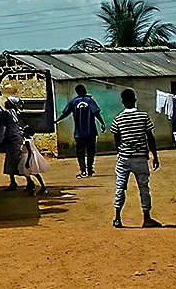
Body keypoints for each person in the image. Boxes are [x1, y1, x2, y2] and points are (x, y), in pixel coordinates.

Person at [110, 88, 161, 229]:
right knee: (144, 187)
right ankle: (147, 218)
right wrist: (154, 156)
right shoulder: (143, 117)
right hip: (140, 158)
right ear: (135, 100)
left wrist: (121, 153)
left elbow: (116, 140)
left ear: (122, 102)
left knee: (120, 187)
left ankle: (117, 218)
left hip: (124, 158)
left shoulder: (118, 119)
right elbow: (150, 137)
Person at [56, 84, 105, 178]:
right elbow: (96, 113)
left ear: (77, 92)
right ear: (85, 90)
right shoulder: (89, 100)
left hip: (79, 133)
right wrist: (102, 123)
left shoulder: (73, 102)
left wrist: (57, 120)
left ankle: (83, 171)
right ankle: (90, 169)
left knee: (80, 152)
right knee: (91, 151)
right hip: (91, 132)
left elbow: (65, 113)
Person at [0, 96, 27, 191]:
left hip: (12, 140)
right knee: (17, 162)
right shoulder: (15, 113)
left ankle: (25, 182)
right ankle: (15, 182)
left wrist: (0, 138)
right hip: (15, 140)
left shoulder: (6, 114)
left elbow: (3, 127)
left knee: (13, 163)